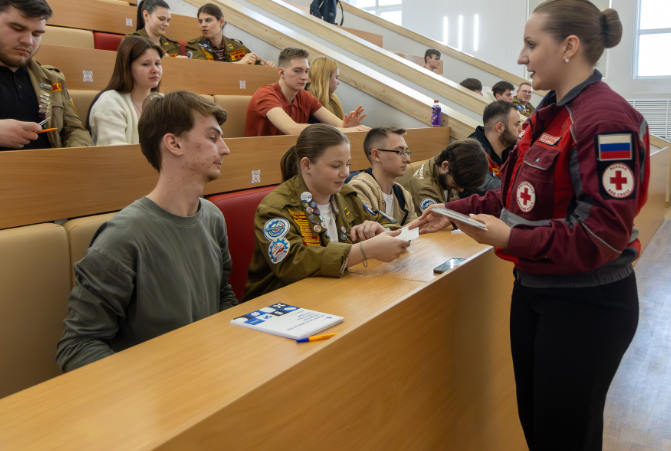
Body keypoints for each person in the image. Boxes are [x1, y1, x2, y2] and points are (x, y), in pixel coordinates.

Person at [412, 0, 649, 450]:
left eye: (531, 44)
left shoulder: (605, 120)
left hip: (586, 304)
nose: (521, 57)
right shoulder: (548, 113)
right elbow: (514, 194)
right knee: (540, 430)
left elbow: (601, 233)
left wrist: (511, 238)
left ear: (569, 46)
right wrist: (452, 212)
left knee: (565, 438)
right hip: (538, 290)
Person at [56, 90, 238, 372]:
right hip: (153, 388)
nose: (225, 149)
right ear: (174, 143)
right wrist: (148, 386)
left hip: (207, 374)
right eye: (213, 137)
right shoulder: (122, 237)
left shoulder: (213, 217)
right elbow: (77, 346)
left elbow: (222, 293)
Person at [243, 124, 410, 301]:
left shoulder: (345, 195)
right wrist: (364, 250)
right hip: (280, 302)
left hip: (335, 293)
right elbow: (292, 264)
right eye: (336, 166)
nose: (345, 173)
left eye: (347, 164)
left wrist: (380, 230)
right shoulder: (276, 207)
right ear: (307, 165)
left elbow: (390, 225)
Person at [0, 0, 91, 152]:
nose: (28, 41)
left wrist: (73, 156)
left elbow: (74, 130)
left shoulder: (52, 78)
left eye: (37, 34)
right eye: (17, 28)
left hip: (52, 169)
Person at [245, 48, 368, 137]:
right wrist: (343, 130)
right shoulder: (266, 94)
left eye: (306, 71)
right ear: (281, 73)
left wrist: (347, 126)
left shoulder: (305, 96)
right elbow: (292, 129)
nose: (305, 77)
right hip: (259, 157)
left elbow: (338, 124)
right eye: (297, 71)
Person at [87, 36, 163, 145]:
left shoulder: (162, 101)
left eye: (157, 63)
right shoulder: (109, 102)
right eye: (146, 64)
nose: (155, 70)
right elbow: (117, 152)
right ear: (127, 67)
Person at [350, 127, 417, 225]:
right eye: (399, 152)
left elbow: (414, 230)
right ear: (376, 155)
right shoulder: (358, 189)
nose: (407, 159)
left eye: (406, 152)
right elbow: (371, 232)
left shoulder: (404, 195)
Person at [403, 138, 488, 215]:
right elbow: (435, 223)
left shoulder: (448, 164)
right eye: (455, 183)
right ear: (445, 166)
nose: (461, 190)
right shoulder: (425, 191)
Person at [462, 101, 522, 198]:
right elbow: (486, 188)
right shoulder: (470, 152)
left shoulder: (511, 148)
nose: (520, 129)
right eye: (516, 124)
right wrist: (524, 186)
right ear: (500, 127)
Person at [185, 3, 276, 67]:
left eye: (208, 20)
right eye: (200, 21)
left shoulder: (237, 46)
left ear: (221, 22)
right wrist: (240, 64)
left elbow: (257, 68)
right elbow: (204, 70)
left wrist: (266, 68)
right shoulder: (194, 45)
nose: (203, 25)